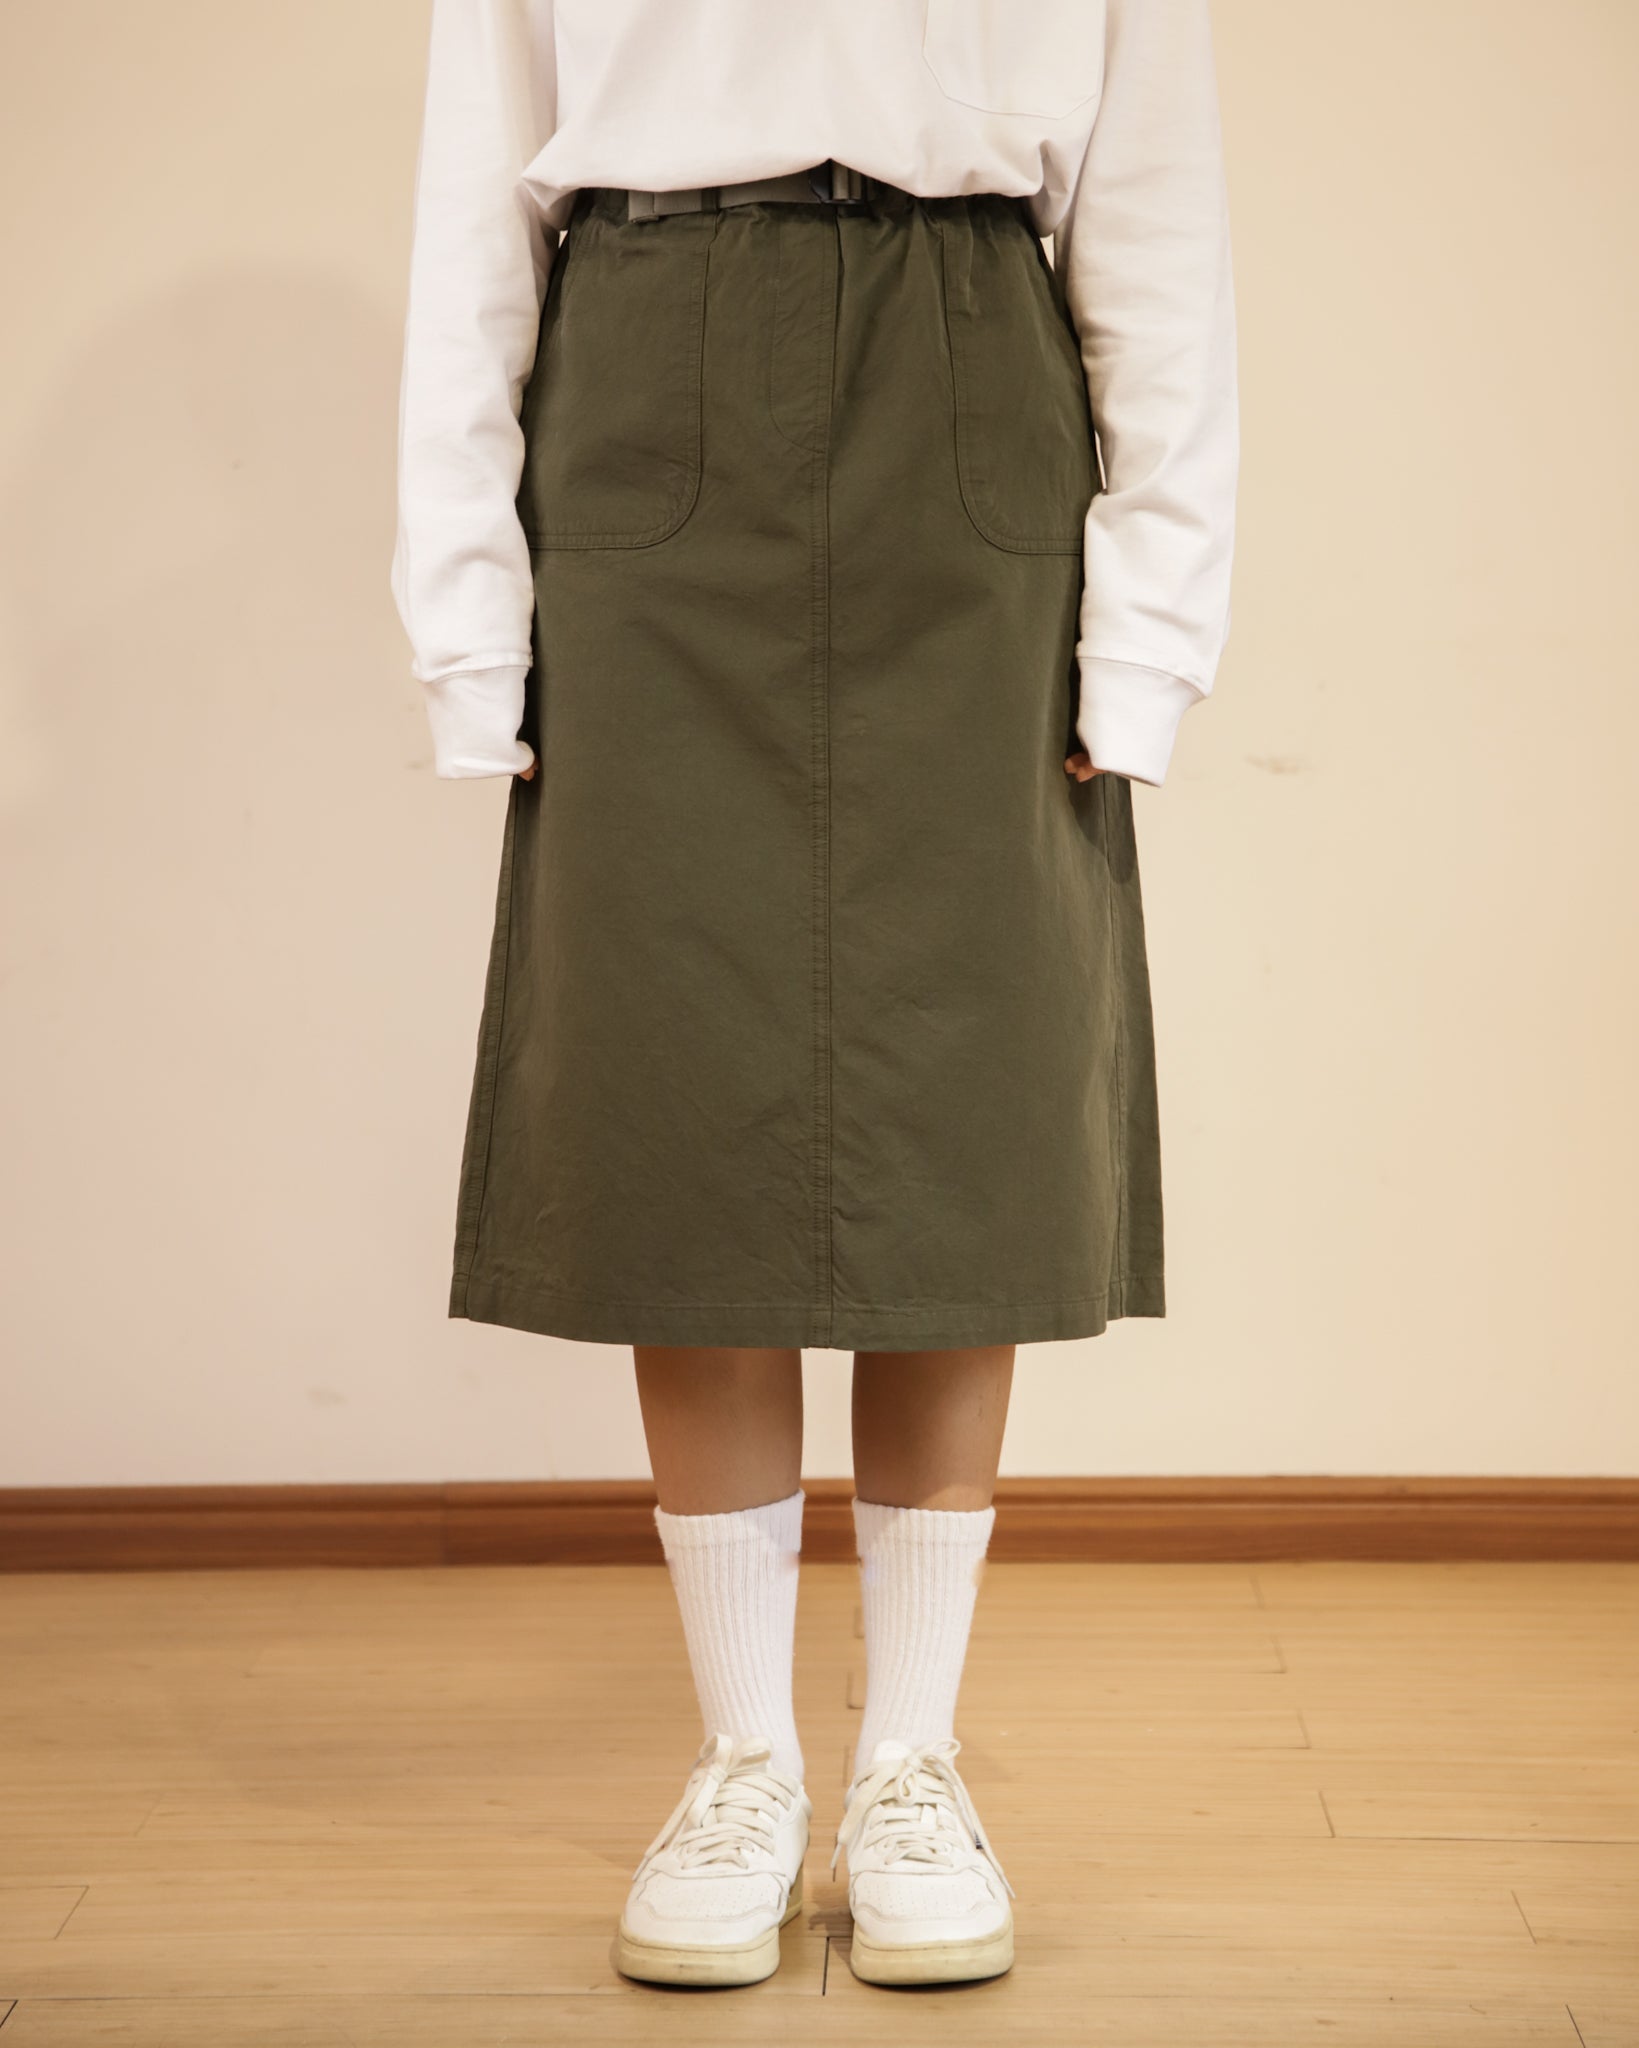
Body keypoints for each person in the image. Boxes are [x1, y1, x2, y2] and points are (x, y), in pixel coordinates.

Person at [390, 0, 1237, 1992]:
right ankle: (747, 1761)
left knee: (966, 1084)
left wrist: (1149, 636)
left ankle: (910, 1760)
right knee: (685, 1085)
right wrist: (465, 622)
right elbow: (473, 211)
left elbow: (1157, 225)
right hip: (646, 367)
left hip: (973, 374)